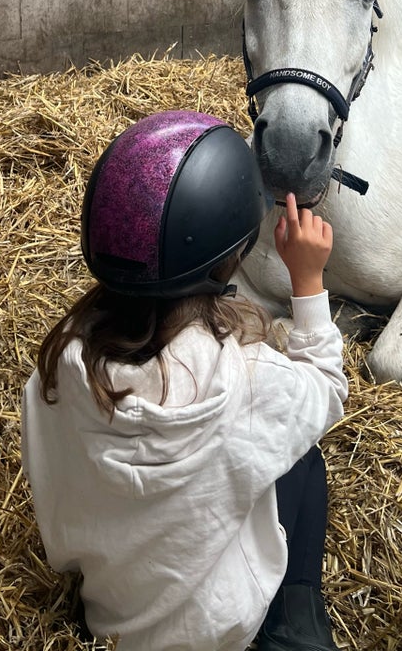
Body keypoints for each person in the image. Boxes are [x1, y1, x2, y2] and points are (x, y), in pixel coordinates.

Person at [21, 110, 348, 651]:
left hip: (113, 620)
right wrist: (308, 280)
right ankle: (296, 626)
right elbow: (327, 392)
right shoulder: (247, 379)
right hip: (222, 628)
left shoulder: (58, 367)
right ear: (230, 259)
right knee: (304, 459)